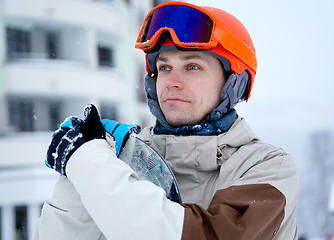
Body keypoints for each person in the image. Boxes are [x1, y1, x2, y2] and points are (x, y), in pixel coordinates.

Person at [33, 2, 298, 240]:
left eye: (192, 67)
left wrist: (88, 161)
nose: (172, 82)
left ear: (233, 83)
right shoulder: (119, 156)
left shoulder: (267, 167)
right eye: (164, 67)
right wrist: (83, 163)